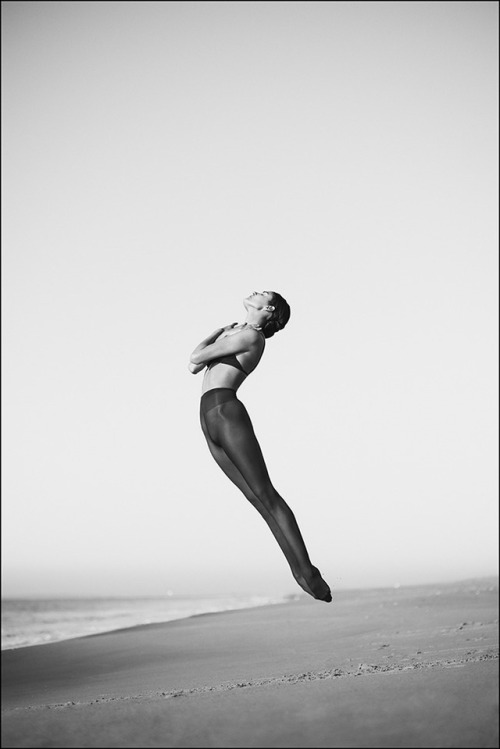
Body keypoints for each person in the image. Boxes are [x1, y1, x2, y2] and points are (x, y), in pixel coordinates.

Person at [189, 291, 332, 602]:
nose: (254, 291)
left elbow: (199, 357)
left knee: (266, 494)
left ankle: (307, 573)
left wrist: (216, 337)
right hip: (208, 417)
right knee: (256, 500)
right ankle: (300, 572)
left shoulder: (253, 339)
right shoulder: (235, 333)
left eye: (262, 293)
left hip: (226, 411)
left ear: (268, 308)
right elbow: (192, 365)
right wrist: (217, 332)